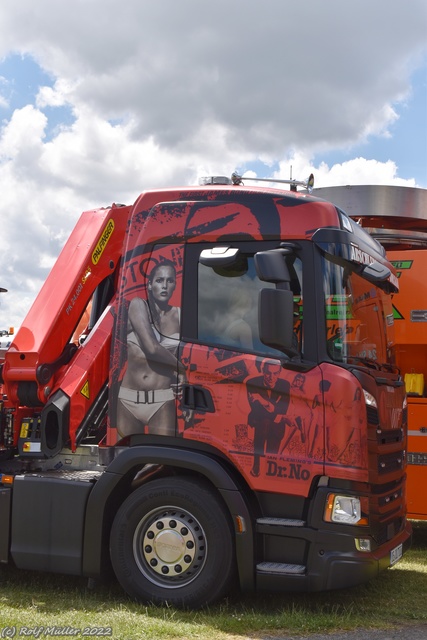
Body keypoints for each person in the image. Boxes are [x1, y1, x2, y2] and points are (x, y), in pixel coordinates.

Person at [117, 260, 184, 438]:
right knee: (126, 460)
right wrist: (181, 369)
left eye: (169, 281)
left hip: (162, 399)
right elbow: (151, 348)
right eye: (159, 280)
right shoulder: (138, 305)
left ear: (175, 285)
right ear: (150, 284)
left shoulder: (180, 315)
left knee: (163, 462)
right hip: (128, 399)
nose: (164, 286)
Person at [247, 360, 290, 477]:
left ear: (280, 373)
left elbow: (283, 409)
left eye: (275, 373)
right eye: (268, 373)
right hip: (259, 420)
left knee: (275, 426)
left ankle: (271, 465)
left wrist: (261, 400)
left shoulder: (285, 385)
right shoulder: (251, 383)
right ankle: (257, 463)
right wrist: (274, 410)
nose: (271, 377)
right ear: (263, 371)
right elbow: (257, 410)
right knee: (264, 422)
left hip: (276, 423)